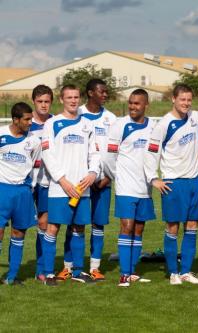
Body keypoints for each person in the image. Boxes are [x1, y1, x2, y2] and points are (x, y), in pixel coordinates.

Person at [144, 84, 198, 285]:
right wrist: (153, 178)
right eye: (182, 99)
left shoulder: (196, 117)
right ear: (173, 99)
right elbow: (151, 152)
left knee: (192, 226)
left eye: (189, 100)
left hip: (194, 182)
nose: (186, 103)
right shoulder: (164, 124)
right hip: (173, 183)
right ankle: (173, 272)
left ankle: (186, 271)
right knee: (172, 227)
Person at [41, 84, 100, 286]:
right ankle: (49, 273)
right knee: (53, 228)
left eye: (76, 97)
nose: (73, 101)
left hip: (82, 188)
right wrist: (62, 180)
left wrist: (93, 173)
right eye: (69, 97)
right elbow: (47, 155)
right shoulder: (52, 124)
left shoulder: (87, 124)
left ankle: (77, 271)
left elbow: (95, 153)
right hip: (60, 187)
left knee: (79, 228)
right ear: (61, 99)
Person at [59, 78, 116, 281]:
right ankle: (68, 266)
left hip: (102, 180)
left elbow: (116, 151)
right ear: (91, 93)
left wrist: (108, 176)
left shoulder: (111, 118)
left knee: (98, 225)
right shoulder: (78, 114)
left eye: (106, 92)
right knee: (73, 224)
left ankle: (94, 267)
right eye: (102, 91)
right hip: (80, 182)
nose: (105, 95)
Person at [104, 89, 156, 287]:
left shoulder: (153, 126)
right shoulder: (120, 126)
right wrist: (118, 176)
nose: (133, 107)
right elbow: (108, 157)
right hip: (126, 187)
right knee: (126, 226)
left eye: (137, 103)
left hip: (145, 187)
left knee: (139, 229)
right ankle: (124, 274)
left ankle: (133, 271)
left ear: (146, 105)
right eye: (131, 103)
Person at [0, 102, 40, 285]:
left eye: (31, 118)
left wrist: (29, 187)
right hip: (2, 190)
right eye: (26, 119)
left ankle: (11, 276)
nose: (30, 122)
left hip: (23, 192)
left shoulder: (34, 141)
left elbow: (34, 164)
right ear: (15, 120)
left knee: (19, 233)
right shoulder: (1, 134)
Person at [29, 85, 54, 282]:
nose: (43, 105)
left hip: (48, 181)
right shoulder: (26, 125)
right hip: (26, 183)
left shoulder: (56, 123)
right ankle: (12, 272)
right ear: (33, 102)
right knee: (17, 227)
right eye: (40, 101)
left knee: (44, 224)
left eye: (47, 101)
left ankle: (42, 269)